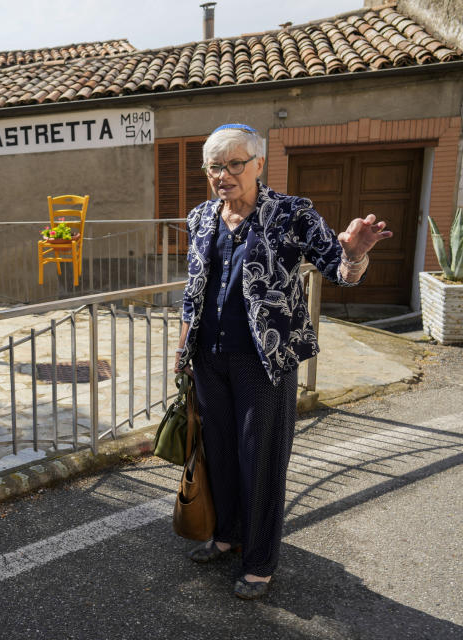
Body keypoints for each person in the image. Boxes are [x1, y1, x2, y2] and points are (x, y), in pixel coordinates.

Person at [174, 123, 392, 599]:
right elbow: (194, 292)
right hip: (209, 358)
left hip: (265, 362)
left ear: (258, 165)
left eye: (235, 164)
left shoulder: (293, 214)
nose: (224, 174)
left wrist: (355, 254)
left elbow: (339, 269)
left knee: (261, 461)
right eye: (215, 166)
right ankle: (227, 535)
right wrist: (183, 348)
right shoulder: (201, 218)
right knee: (222, 457)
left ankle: (259, 562)